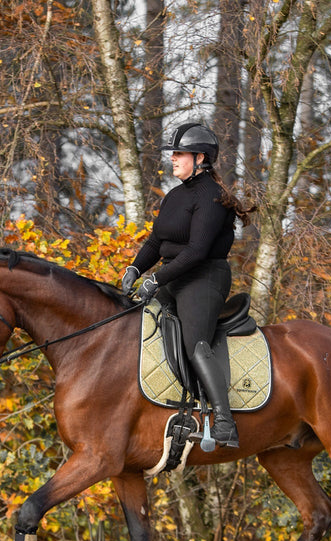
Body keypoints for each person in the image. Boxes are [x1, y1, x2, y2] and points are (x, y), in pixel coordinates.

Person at [121, 122, 252, 448]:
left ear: (201, 158)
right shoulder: (175, 196)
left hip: (203, 278)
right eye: (174, 154)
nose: (174, 159)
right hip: (173, 276)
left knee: (195, 343)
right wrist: (134, 269)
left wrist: (156, 279)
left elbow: (196, 252)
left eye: (179, 154)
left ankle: (225, 422)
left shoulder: (212, 197)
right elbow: (155, 242)